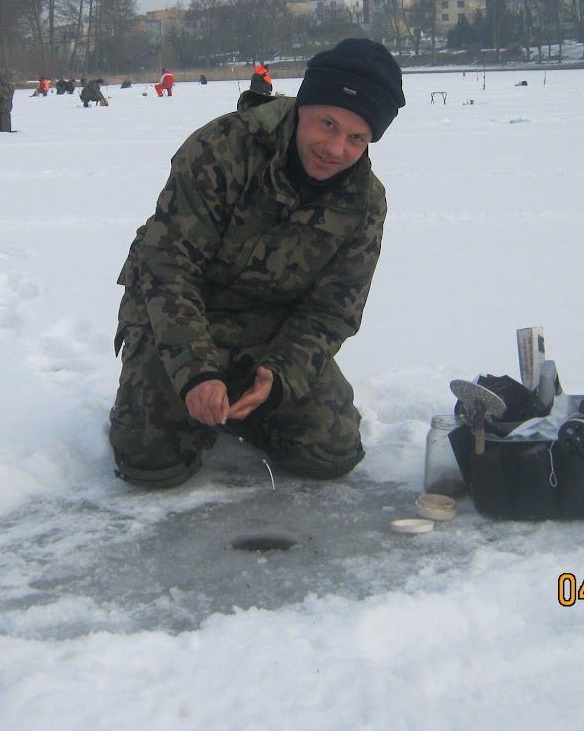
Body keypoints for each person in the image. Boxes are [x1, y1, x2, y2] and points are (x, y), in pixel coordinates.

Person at [108, 37, 406, 488]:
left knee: (330, 452)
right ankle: (191, 397)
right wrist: (196, 372)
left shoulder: (364, 201)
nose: (335, 148)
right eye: (327, 123)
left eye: (356, 137)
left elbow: (333, 309)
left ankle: (242, 405)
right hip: (178, 315)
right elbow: (168, 266)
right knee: (151, 463)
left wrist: (281, 374)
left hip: (269, 328)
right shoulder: (223, 148)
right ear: (303, 106)